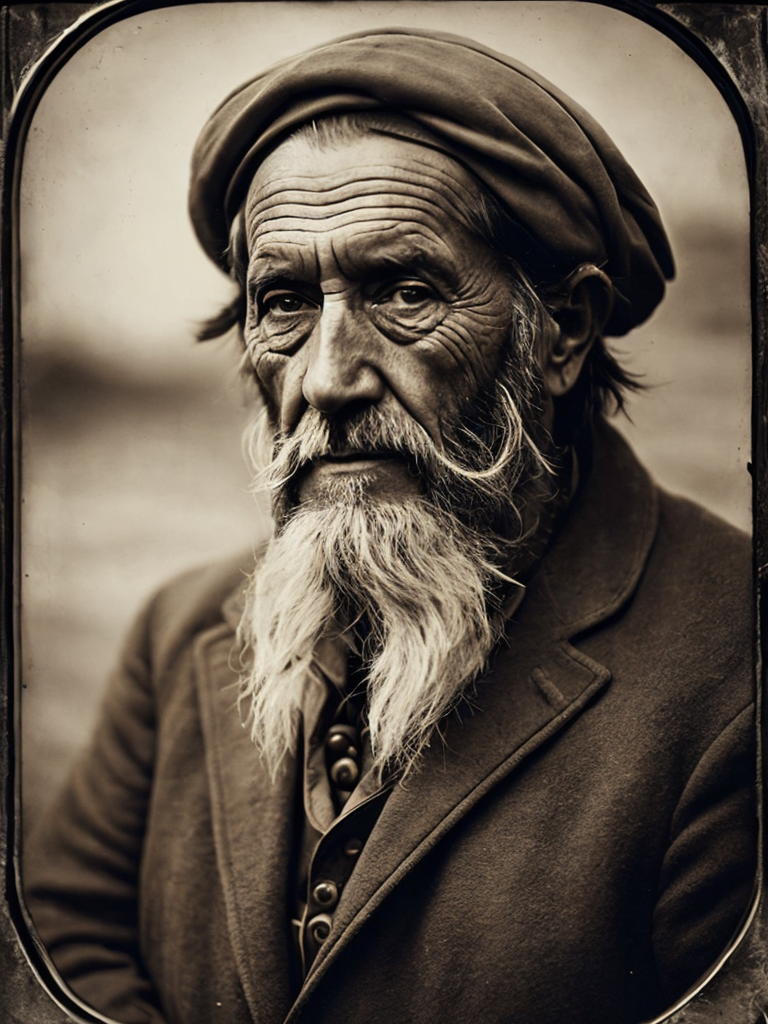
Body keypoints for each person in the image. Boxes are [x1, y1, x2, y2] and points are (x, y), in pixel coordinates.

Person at [24, 28, 757, 1024]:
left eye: (405, 291)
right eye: (282, 302)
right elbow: (67, 938)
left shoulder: (733, 672)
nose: (328, 376)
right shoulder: (177, 632)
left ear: (564, 333)